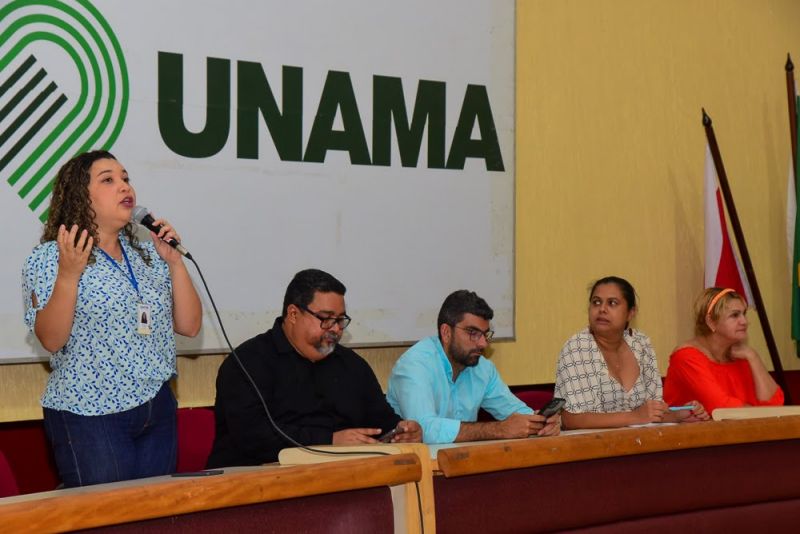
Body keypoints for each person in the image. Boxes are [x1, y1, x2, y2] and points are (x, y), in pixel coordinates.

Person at [22, 150, 202, 487]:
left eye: (125, 178)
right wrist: (68, 275)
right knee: (105, 520)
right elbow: (51, 339)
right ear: (80, 197)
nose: (124, 186)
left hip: (156, 407)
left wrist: (175, 262)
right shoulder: (50, 258)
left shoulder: (149, 255)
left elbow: (190, 326)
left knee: (153, 517)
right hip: (91, 415)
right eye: (108, 180)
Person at [207, 269, 421, 467]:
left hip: (342, 478)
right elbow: (253, 436)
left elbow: (379, 420)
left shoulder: (352, 365)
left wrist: (401, 430)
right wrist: (329, 441)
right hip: (253, 483)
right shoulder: (247, 362)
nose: (336, 329)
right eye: (326, 319)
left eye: (340, 320)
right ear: (293, 314)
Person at [387, 290, 560, 444]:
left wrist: (542, 422)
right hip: (415, 470)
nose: (483, 343)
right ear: (446, 332)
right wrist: (500, 430)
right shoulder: (415, 365)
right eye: (473, 333)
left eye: (485, 334)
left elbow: (516, 412)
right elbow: (424, 428)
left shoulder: (482, 368)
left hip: (461, 465)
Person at [554, 276, 708, 429]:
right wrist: (635, 417)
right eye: (596, 302)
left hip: (638, 443)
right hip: (590, 447)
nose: (602, 309)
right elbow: (571, 419)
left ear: (631, 312)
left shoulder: (641, 344)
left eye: (612, 303)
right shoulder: (577, 348)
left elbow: (649, 412)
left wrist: (678, 416)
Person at [664, 287, 784, 415]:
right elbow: (722, 409)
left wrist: (753, 357)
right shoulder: (686, 357)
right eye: (734, 315)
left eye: (744, 314)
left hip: (742, 432)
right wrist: (760, 412)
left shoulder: (742, 355)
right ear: (711, 322)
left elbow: (774, 405)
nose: (745, 321)